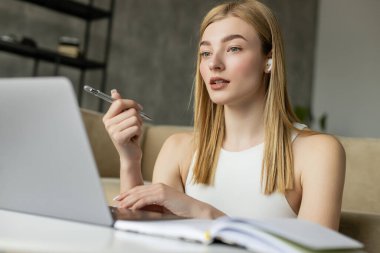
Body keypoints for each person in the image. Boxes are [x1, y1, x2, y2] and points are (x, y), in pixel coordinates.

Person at [103, 0, 345, 230]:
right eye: (206, 53)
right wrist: (130, 161)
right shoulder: (177, 149)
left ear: (268, 60)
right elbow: (145, 244)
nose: (214, 63)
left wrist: (205, 213)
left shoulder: (318, 152)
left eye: (233, 48)